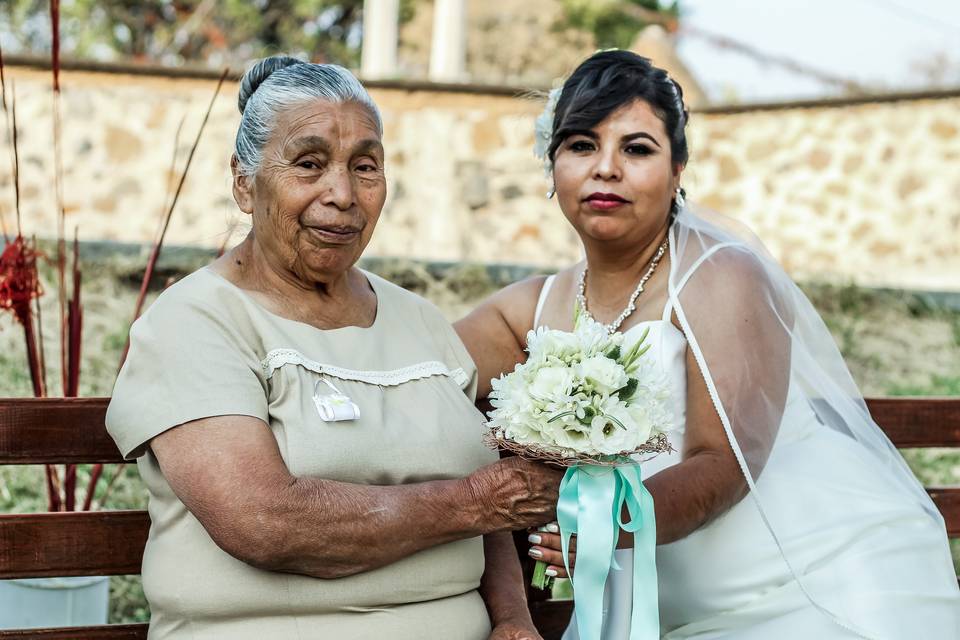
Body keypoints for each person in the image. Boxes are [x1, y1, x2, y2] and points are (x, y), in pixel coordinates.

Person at [455, 50, 960, 639]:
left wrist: (600, 528)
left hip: (815, 585)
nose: (606, 169)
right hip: (666, 611)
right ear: (553, 166)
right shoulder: (531, 309)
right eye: (581, 145)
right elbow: (421, 367)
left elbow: (722, 465)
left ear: (677, 172)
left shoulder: (722, 276)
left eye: (637, 149)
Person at [106, 55, 561, 640]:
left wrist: (511, 619)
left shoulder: (421, 323)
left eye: (365, 166)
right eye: (309, 163)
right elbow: (266, 522)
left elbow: (487, 514)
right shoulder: (193, 323)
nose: (342, 193)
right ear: (245, 183)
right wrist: (473, 501)